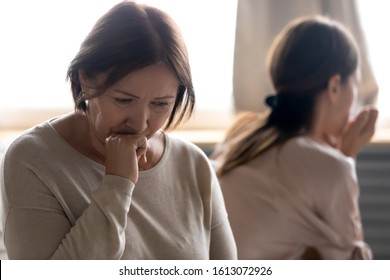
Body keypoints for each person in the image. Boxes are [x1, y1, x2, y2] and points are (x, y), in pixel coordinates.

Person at [0, 1, 237, 260]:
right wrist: (117, 184)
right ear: (86, 80)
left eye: (161, 104)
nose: (140, 124)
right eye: (124, 100)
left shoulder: (192, 164)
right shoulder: (32, 159)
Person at [211, 15, 377, 260]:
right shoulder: (331, 167)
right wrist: (345, 157)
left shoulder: (241, 134)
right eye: (355, 82)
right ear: (334, 87)